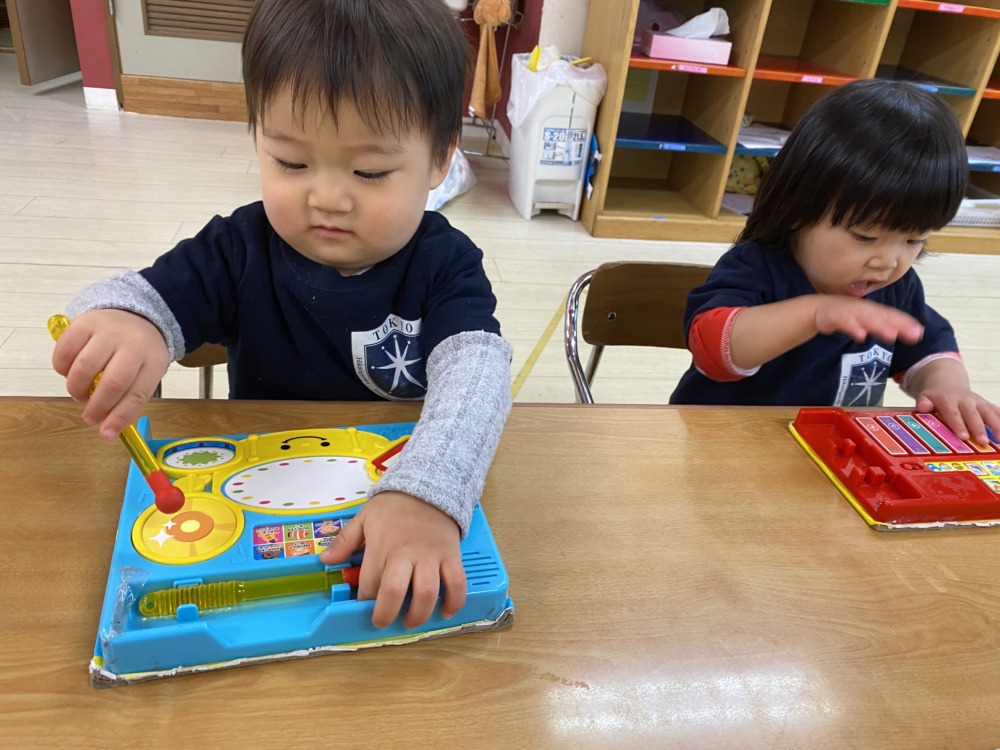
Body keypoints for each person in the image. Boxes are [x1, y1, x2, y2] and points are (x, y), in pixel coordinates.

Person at [51, 0, 512, 630]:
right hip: (259, 513)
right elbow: (136, 298)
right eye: (290, 162)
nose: (327, 197)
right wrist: (132, 323)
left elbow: (479, 373)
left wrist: (426, 490)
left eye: (370, 171)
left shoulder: (445, 264)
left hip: (401, 499)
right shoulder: (237, 248)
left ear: (440, 160)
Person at [670, 79, 1000, 446]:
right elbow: (715, 351)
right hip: (725, 447)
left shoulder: (897, 287)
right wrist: (815, 313)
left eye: (914, 240)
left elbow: (927, 348)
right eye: (865, 237)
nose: (888, 262)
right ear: (796, 207)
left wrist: (948, 385)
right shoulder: (756, 266)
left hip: (833, 455)